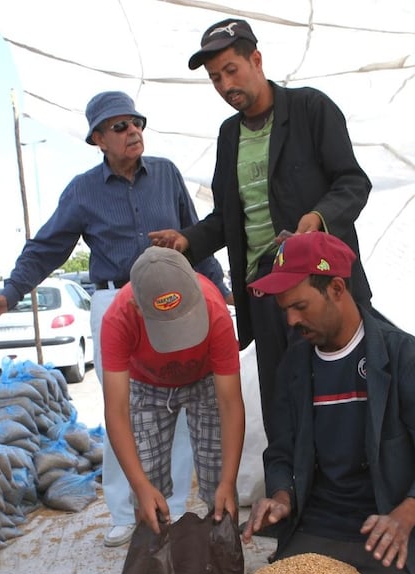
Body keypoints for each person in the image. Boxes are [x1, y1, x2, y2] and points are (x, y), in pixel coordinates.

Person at [0, 91, 230, 548]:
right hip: (117, 306)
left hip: (173, 301)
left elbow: (195, 238)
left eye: (136, 123)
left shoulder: (166, 174)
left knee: (184, 402)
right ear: (97, 139)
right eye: (120, 126)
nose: (133, 132)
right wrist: (9, 294)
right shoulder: (83, 189)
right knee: (123, 412)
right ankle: (126, 512)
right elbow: (47, 246)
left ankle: (177, 507)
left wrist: (219, 292)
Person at [149, 17, 375, 438]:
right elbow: (226, 217)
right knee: (282, 402)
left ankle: (348, 493)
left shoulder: (310, 108)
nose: (224, 85)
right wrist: (188, 240)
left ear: (257, 60)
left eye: (231, 70)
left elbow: (353, 182)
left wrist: (318, 219)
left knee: (340, 395)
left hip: (319, 288)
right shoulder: (229, 135)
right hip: (262, 293)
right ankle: (290, 494)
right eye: (215, 79)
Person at [242, 231, 415, 574]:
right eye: (284, 310)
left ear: (337, 289)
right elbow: (281, 450)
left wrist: (403, 517)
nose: (290, 321)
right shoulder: (295, 365)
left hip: (390, 534)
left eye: (300, 306)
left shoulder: (405, 359)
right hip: (321, 528)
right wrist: (282, 495)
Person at [101, 246, 243, 531]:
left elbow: (230, 403)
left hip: (205, 381)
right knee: (146, 485)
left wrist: (228, 482)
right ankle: (155, 557)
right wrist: (140, 486)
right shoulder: (117, 318)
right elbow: (116, 411)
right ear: (136, 306)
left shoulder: (215, 310)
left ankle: (223, 553)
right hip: (147, 384)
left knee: (219, 482)